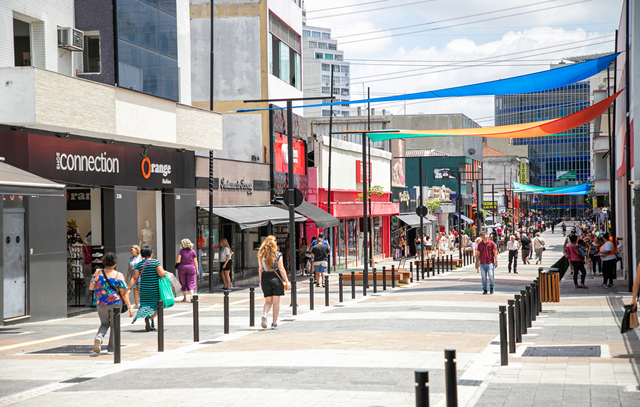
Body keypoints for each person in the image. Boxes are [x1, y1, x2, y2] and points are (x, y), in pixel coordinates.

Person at [90, 253, 133, 354]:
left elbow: (91, 287)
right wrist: (130, 307)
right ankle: (111, 348)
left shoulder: (97, 272)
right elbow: (123, 293)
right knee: (115, 324)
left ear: (104, 262)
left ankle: (99, 337)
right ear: (115, 262)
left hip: (100, 302)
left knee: (104, 323)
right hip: (115, 302)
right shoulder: (119, 275)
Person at [258, 235, 290, 330]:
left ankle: (264, 314)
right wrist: (287, 281)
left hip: (265, 278)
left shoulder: (261, 255)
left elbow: (260, 269)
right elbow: (281, 269)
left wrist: (261, 281)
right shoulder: (278, 255)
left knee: (268, 302)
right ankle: (274, 323)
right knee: (276, 303)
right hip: (275, 278)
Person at [131, 246, 166, 332]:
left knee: (146, 304)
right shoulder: (156, 262)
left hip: (144, 289)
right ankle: (151, 317)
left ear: (142, 255)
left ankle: (150, 321)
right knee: (157, 305)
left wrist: (129, 288)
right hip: (155, 288)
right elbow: (162, 274)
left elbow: (135, 278)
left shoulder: (139, 264)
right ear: (151, 254)